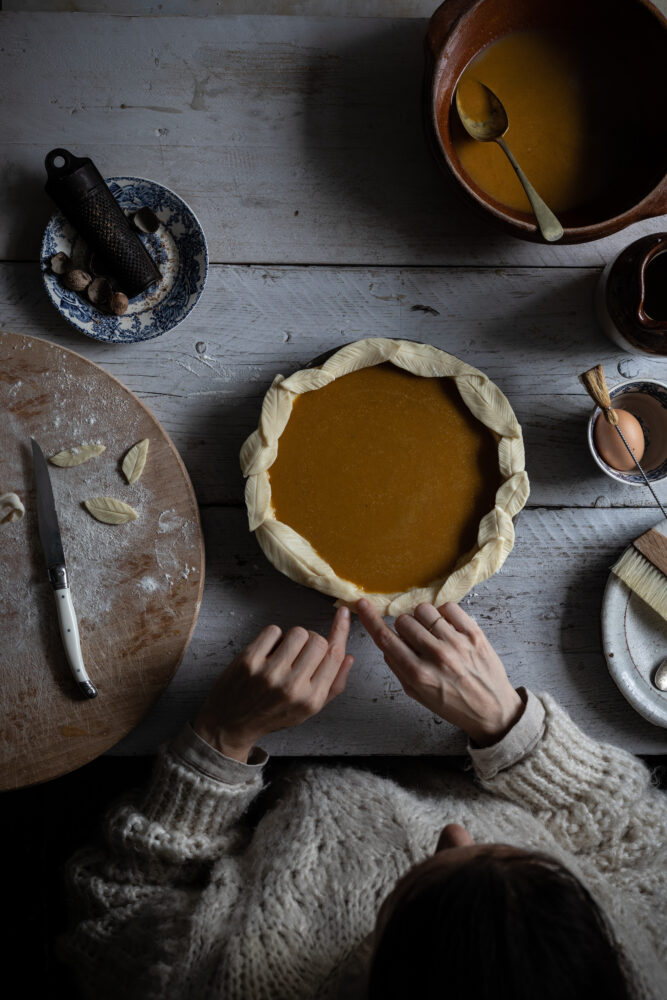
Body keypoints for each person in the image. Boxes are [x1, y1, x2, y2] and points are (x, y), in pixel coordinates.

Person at [60, 600, 667, 999]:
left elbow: (116, 901)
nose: (457, 832)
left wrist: (220, 740)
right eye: (525, 862)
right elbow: (639, 838)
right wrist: (511, 730)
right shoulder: (651, 965)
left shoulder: (215, 982)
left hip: (250, 788)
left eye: (427, 876)